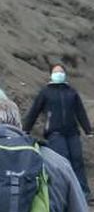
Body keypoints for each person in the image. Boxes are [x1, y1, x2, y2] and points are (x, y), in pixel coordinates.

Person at [23, 64, 93, 202]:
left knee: (77, 160)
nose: (58, 74)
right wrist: (26, 129)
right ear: (50, 75)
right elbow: (34, 111)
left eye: (61, 71)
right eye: (55, 72)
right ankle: (63, 193)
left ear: (65, 74)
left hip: (72, 132)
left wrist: (87, 129)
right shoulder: (45, 92)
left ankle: (84, 192)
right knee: (63, 159)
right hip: (54, 132)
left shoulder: (71, 92)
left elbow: (80, 111)